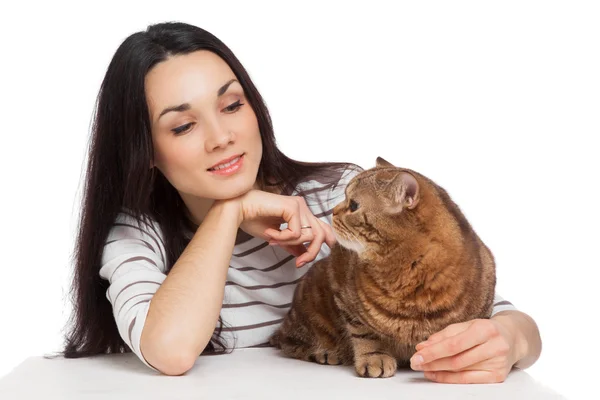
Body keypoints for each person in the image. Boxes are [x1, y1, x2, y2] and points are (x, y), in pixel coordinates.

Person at [59, 21, 542, 382]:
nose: (222, 137)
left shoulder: (338, 195)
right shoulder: (135, 236)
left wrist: (511, 339)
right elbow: (170, 350)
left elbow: (496, 312)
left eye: (232, 105)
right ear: (145, 153)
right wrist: (233, 210)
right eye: (183, 126)